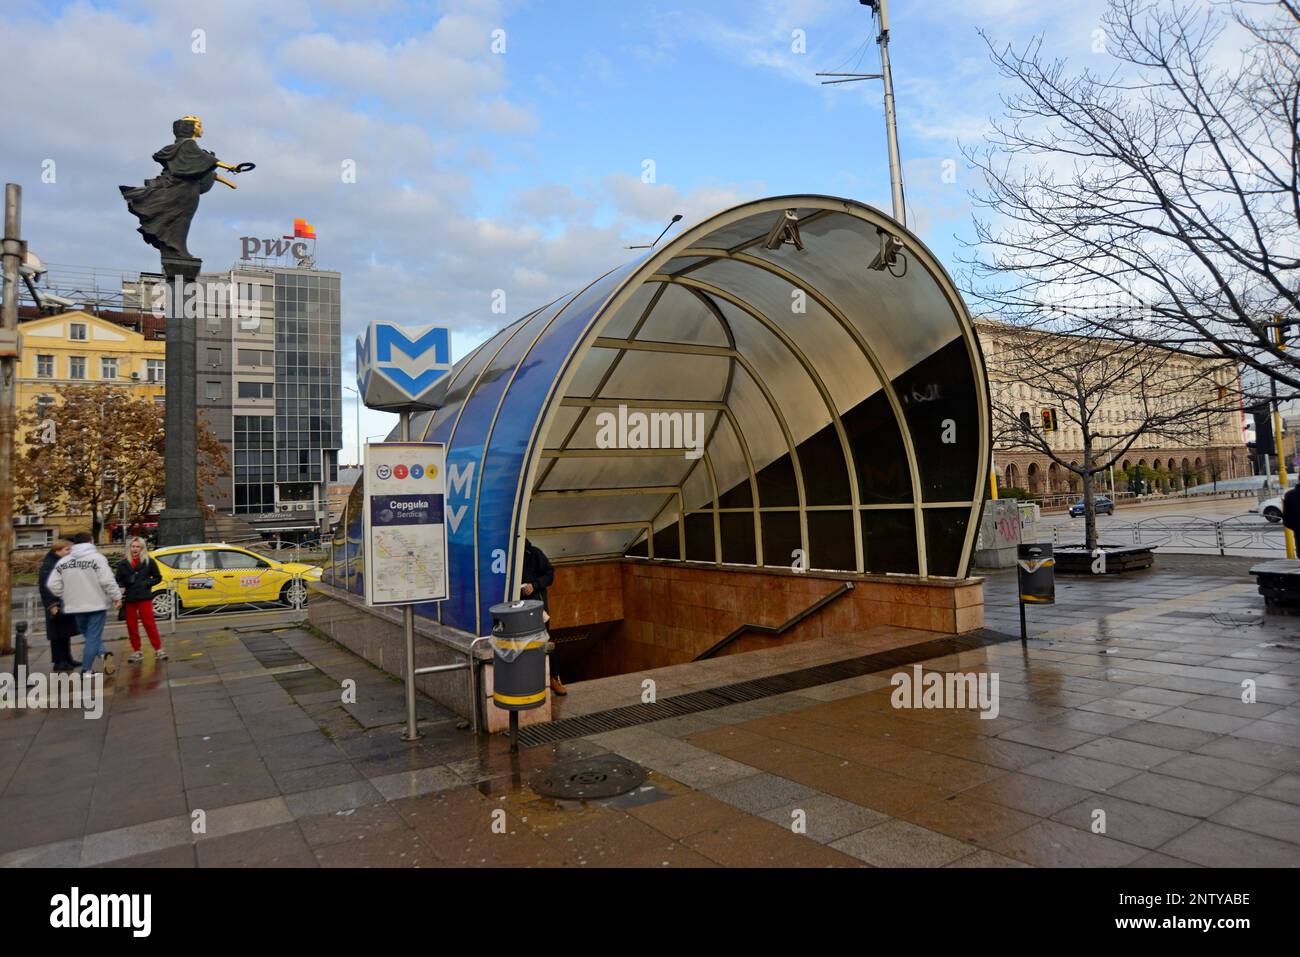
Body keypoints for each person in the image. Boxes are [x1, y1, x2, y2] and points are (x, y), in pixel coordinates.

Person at [47, 533, 121, 676]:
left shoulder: (64, 561)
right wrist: (116, 596)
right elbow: (107, 581)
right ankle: (86, 670)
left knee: (89, 635)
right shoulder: (97, 559)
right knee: (93, 637)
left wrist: (65, 594)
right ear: (91, 541)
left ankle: (102, 653)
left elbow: (52, 584)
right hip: (96, 604)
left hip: (75, 605)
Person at [521, 538, 563, 695]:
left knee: (544, 639)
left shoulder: (534, 553)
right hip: (517, 606)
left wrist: (535, 585)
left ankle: (554, 678)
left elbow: (550, 574)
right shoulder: (505, 555)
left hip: (536, 604)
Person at [115, 537, 167, 663]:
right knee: (131, 626)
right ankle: (137, 651)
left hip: (144, 597)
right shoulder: (122, 564)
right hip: (130, 598)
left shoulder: (149, 562)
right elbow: (118, 579)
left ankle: (158, 649)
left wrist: (146, 583)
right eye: (133, 546)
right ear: (129, 548)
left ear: (142, 548)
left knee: (149, 624)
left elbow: (158, 578)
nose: (135, 549)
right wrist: (121, 586)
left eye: (138, 547)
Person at [38, 538, 80, 672]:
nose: (70, 552)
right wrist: (52, 605)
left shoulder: (58, 562)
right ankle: (59, 661)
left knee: (64, 632)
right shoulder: (49, 565)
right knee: (57, 634)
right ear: (58, 550)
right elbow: (45, 587)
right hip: (55, 604)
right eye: (67, 549)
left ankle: (67, 658)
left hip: (62, 601)